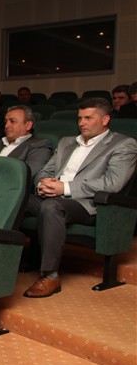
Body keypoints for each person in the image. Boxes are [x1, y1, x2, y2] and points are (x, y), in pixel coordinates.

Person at [24, 98, 137, 298]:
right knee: (18, 198)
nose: (82, 123)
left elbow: (112, 183)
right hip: (53, 195)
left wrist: (65, 188)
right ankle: (0, 257)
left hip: (87, 204)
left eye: (88, 118)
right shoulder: (66, 142)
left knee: (51, 207)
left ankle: (50, 276)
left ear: (105, 120)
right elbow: (45, 171)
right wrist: (43, 184)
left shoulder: (123, 144)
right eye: (80, 118)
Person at [0, 106, 53, 179]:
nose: (6, 125)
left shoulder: (39, 146)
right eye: (6, 122)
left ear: (28, 125)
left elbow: (25, 175)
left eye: (12, 121)